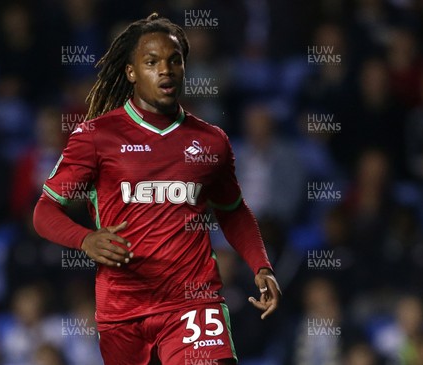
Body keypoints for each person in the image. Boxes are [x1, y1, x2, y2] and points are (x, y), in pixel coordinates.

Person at [32, 13, 281, 365]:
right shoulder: (96, 137)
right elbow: (44, 211)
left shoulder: (210, 141)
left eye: (174, 60)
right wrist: (85, 240)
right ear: (131, 72)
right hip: (123, 309)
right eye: (151, 62)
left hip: (193, 301)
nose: (165, 70)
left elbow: (233, 210)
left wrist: (262, 266)